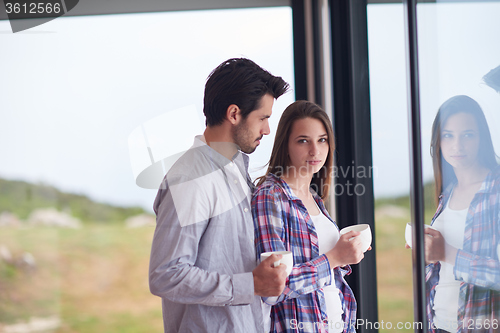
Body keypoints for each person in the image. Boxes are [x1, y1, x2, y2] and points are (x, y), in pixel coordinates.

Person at [149, 58, 290, 332]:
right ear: (234, 114)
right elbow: (166, 275)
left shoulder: (236, 170)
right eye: (263, 118)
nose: (267, 130)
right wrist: (251, 284)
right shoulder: (190, 180)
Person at [252, 100, 368, 333]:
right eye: (303, 141)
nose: (315, 151)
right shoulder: (270, 197)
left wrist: (347, 254)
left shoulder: (313, 197)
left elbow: (322, 269)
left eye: (322, 140)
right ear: (285, 145)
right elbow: (274, 288)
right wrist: (334, 258)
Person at [425, 95, 500, 333]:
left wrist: (446, 253)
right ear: (438, 141)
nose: (457, 145)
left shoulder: (495, 192)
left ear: (482, 139)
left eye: (468, 135)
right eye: (448, 135)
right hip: (440, 324)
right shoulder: (448, 193)